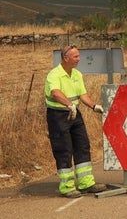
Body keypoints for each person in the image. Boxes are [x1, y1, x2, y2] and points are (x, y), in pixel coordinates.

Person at [45, 45, 107, 198]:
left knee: (82, 145)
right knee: (64, 149)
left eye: (78, 56)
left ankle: (86, 183)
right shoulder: (54, 75)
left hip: (75, 113)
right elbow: (55, 93)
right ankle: (67, 186)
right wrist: (69, 105)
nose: (79, 59)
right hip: (58, 115)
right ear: (66, 58)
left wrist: (94, 106)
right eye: (75, 57)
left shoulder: (77, 74)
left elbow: (82, 95)